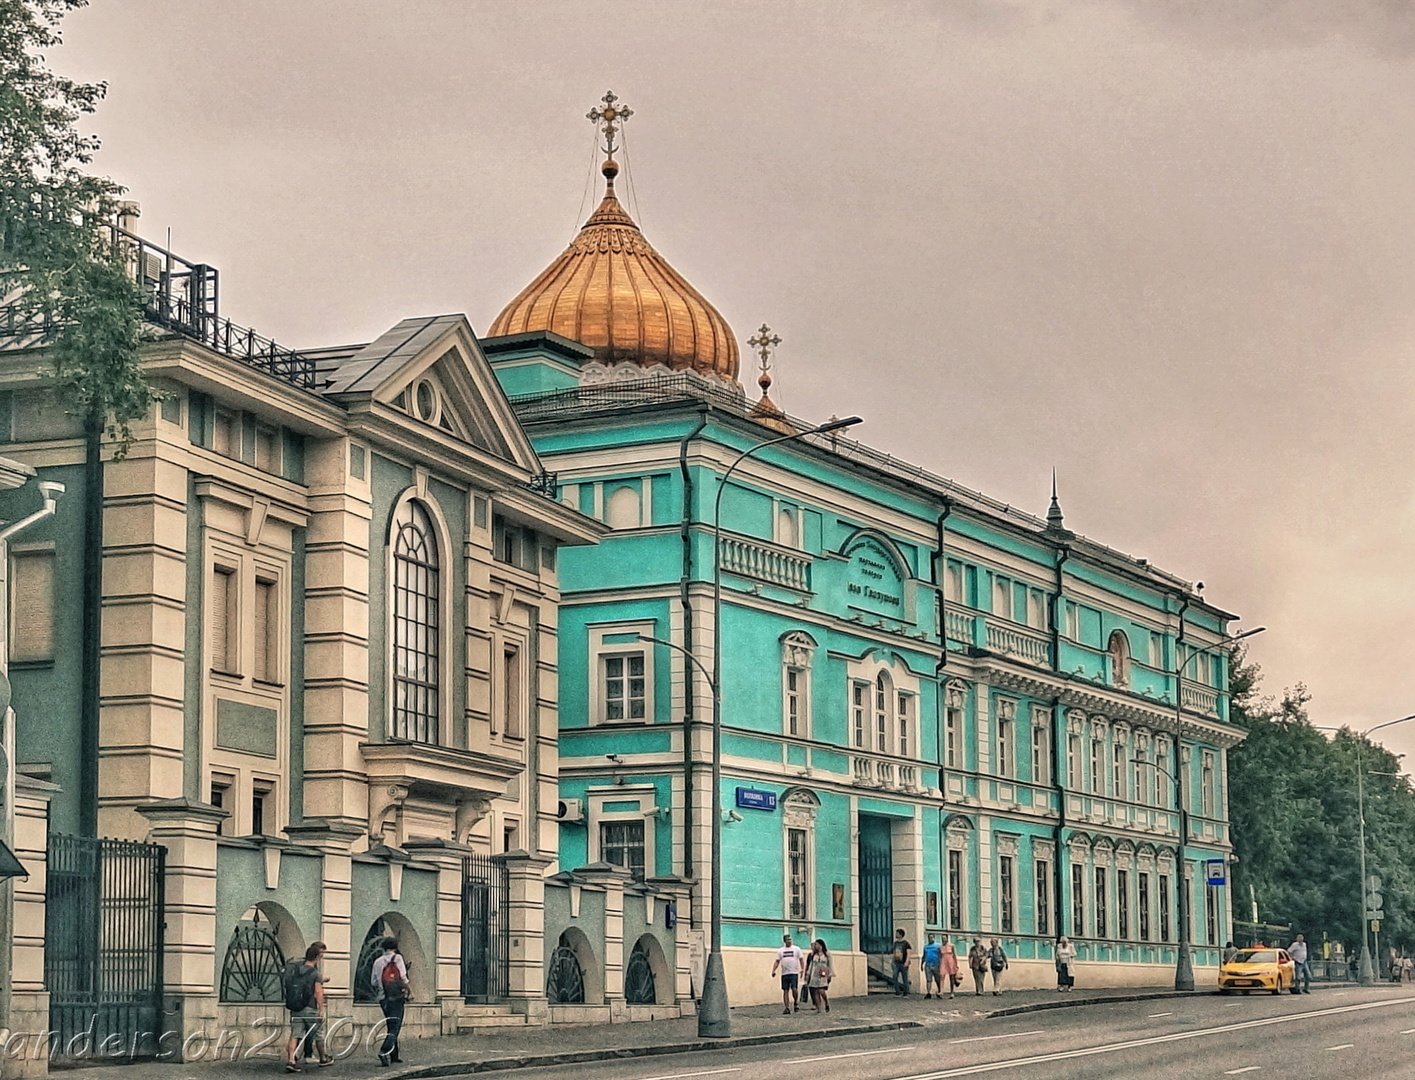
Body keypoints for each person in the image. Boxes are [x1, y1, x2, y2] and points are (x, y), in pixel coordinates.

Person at [282, 941, 329, 1073]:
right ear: (317, 957)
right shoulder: (315, 973)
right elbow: (318, 992)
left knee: (295, 1034)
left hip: (296, 1007)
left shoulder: (296, 970)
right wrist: (321, 1008)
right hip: (310, 1008)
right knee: (319, 1034)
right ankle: (323, 1058)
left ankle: (291, 1060)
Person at [371, 936, 409, 1065]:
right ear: (395, 947)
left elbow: (373, 982)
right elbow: (403, 978)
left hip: (383, 999)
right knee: (395, 1027)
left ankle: (394, 1055)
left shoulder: (377, 961)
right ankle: (384, 1051)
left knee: (391, 1025)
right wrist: (410, 991)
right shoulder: (398, 958)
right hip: (397, 998)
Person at [771, 933, 806, 1015]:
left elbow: (801, 959)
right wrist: (773, 970)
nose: (789, 941)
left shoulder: (796, 949)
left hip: (793, 973)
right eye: (788, 940)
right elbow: (777, 961)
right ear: (784, 941)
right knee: (785, 990)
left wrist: (802, 969)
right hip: (785, 973)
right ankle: (787, 1007)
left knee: (794, 989)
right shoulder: (781, 951)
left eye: (790, 939)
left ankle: (796, 1002)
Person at [805, 939, 833, 1013]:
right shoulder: (813, 954)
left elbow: (830, 965)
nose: (815, 946)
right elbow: (811, 965)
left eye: (816, 944)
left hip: (823, 974)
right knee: (815, 991)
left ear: (821, 945)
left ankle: (826, 1002)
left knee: (821, 991)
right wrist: (808, 974)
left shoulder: (827, 954)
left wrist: (830, 974)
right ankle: (819, 1008)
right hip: (814, 974)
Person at [890, 928, 913, 996]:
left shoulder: (906, 943)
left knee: (904, 977)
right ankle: (897, 991)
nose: (896, 934)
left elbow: (908, 953)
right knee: (894, 976)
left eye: (897, 933)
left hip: (903, 962)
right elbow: (893, 952)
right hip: (896, 962)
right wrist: (892, 961)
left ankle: (906, 991)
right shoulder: (895, 943)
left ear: (900, 934)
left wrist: (907, 961)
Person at [921, 934, 943, 999]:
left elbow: (941, 955)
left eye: (931, 937)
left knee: (937, 979)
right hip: (928, 965)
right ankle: (928, 992)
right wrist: (921, 964)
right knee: (928, 979)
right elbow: (924, 956)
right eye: (929, 938)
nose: (930, 939)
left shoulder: (938, 946)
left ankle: (939, 991)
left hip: (936, 964)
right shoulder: (926, 947)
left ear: (934, 938)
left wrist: (941, 964)